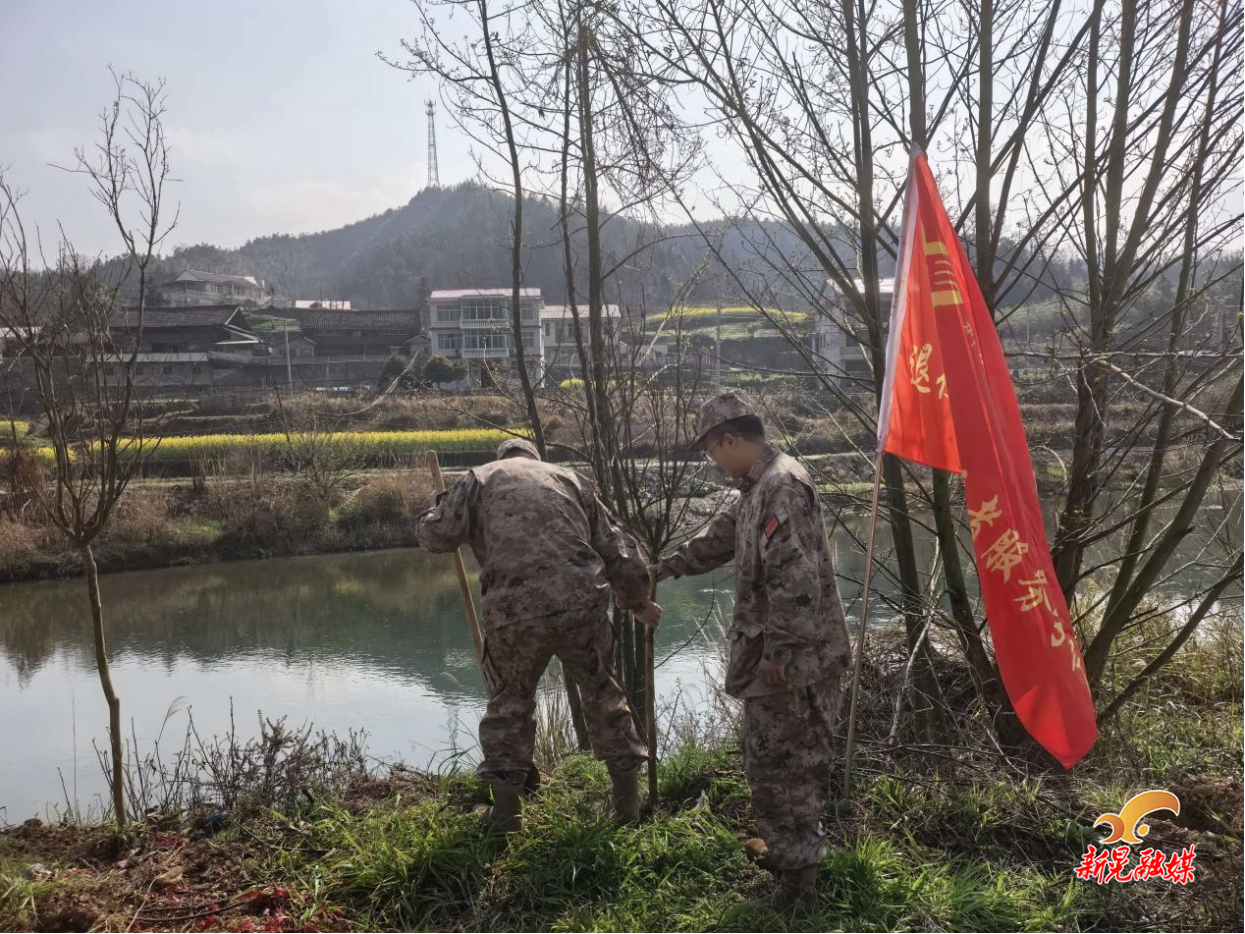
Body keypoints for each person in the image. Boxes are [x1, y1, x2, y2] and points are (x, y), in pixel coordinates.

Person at [652, 390, 851, 910]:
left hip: (793, 663)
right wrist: (665, 568)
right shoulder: (756, 489)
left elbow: (795, 579)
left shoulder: (781, 485)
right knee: (772, 764)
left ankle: (798, 888)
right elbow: (719, 539)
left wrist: (779, 652)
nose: (712, 462)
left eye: (711, 451)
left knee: (787, 770)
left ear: (730, 439)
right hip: (781, 657)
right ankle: (790, 858)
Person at [417, 437, 662, 833]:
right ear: (535, 458)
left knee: (509, 705)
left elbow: (437, 537)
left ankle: (507, 816)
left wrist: (435, 508)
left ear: (503, 458)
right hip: (582, 603)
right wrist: (637, 601)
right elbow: (618, 547)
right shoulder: (571, 479)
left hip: (514, 612)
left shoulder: (478, 478)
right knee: (603, 695)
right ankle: (627, 808)